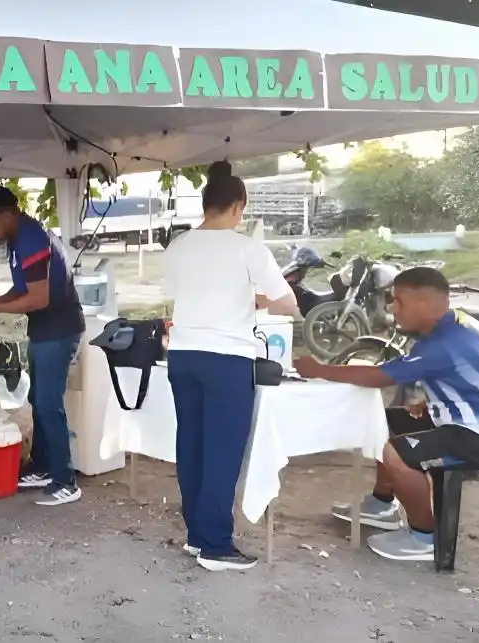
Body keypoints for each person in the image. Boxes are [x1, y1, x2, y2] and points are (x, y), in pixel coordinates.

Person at [295, 267, 479, 562]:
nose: (393, 308)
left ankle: (424, 537)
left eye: (399, 301)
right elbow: (464, 377)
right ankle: (382, 505)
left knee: (396, 453)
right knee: (383, 422)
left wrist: (320, 370)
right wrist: (432, 399)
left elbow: (381, 376)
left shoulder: (444, 342)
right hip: (477, 422)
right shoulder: (456, 323)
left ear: (426, 304)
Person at [163, 161, 299, 571]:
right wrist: (257, 300)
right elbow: (288, 303)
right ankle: (216, 545)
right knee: (221, 452)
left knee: (191, 447)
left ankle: (196, 535)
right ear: (239, 206)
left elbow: (180, 294)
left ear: (205, 204)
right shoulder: (247, 248)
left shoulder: (178, 246)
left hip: (183, 355)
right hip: (227, 359)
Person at [0, 185, 86, 507]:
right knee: (37, 398)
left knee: (48, 404)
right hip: (45, 330)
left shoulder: (31, 239)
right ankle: (44, 466)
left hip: (60, 330)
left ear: (7, 214)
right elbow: (22, 290)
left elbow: (38, 298)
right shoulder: (20, 239)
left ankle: (65, 480)